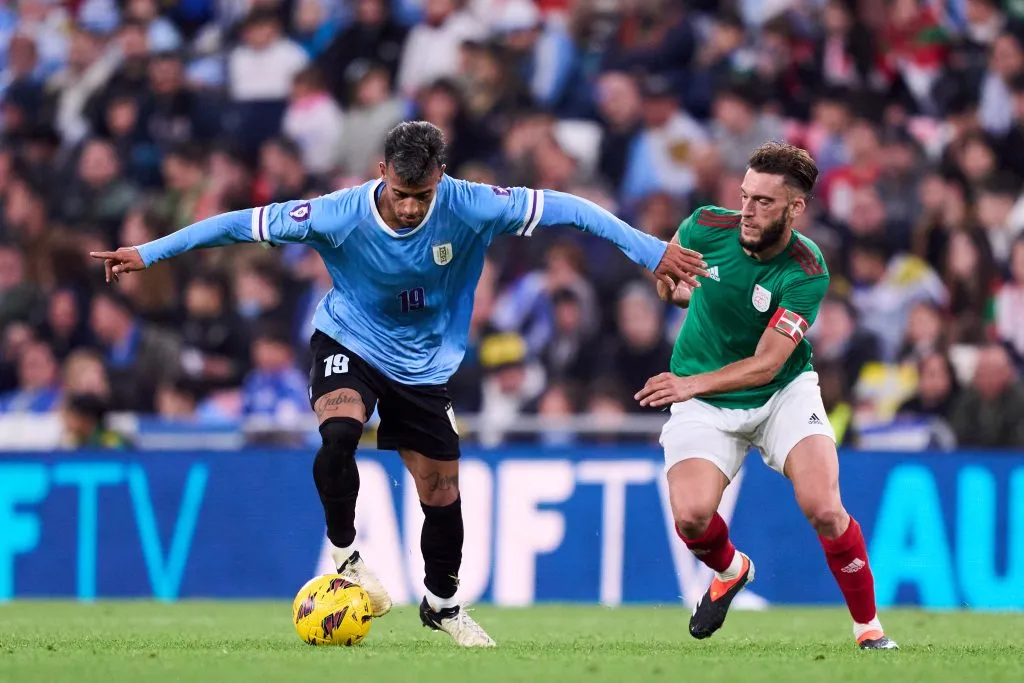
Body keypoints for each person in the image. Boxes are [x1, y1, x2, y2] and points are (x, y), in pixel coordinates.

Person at [90, 121, 705, 648]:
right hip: (348, 339)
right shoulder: (334, 213)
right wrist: (149, 252)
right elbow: (231, 225)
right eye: (401, 193)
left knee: (440, 491)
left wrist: (651, 251)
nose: (410, 207)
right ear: (381, 170)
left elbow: (574, 209)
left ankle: (442, 604)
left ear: (441, 176)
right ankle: (347, 558)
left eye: (422, 195)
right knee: (338, 433)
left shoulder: (472, 202)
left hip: (425, 366)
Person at [635, 142, 898, 651]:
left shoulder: (807, 268)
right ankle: (732, 570)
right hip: (707, 401)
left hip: (782, 393)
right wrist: (670, 287)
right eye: (745, 196)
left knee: (824, 506)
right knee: (690, 518)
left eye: (763, 202)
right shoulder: (705, 226)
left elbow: (768, 362)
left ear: (795, 209)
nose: (746, 212)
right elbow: (669, 279)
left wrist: (687, 384)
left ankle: (870, 629)